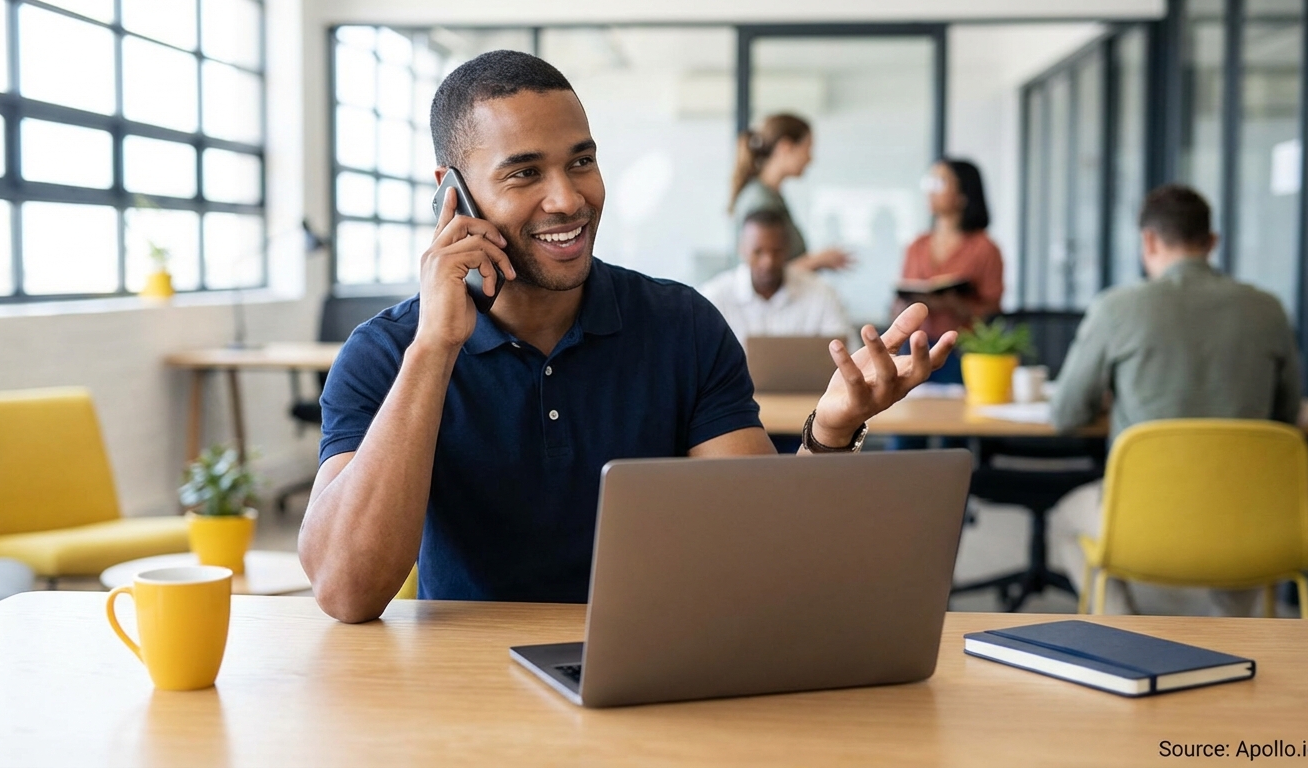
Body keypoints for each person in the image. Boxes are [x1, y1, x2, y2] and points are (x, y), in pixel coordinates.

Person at [298, 51, 958, 623]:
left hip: (657, 666)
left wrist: (832, 430)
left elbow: (763, 552)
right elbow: (346, 590)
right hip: (469, 691)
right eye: (524, 173)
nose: (568, 198)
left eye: (580, 161)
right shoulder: (386, 354)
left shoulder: (682, 326)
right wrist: (435, 348)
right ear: (453, 197)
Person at [1046, 184, 1303, 616]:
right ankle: (1236, 638)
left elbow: (1066, 414)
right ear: (1212, 242)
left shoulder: (1117, 308)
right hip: (1248, 523)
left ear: (1147, 240)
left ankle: (1124, 632)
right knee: (1234, 524)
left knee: (1063, 521)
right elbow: (1286, 414)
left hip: (1140, 525)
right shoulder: (1268, 309)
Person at [894, 159, 1004, 384]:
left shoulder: (985, 248)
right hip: (915, 347)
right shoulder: (917, 246)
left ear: (963, 194)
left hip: (962, 350)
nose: (931, 191)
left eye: (940, 182)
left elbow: (993, 310)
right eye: (929, 182)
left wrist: (956, 306)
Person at [699, 209, 851, 349]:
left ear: (788, 249)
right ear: (741, 249)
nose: (768, 262)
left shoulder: (821, 294)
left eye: (776, 251)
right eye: (758, 252)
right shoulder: (715, 298)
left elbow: (850, 354)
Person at [729, 113, 852, 273]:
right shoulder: (761, 201)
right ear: (785, 147)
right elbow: (765, 273)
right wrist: (818, 260)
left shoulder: (772, 196)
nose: (810, 159)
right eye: (807, 149)